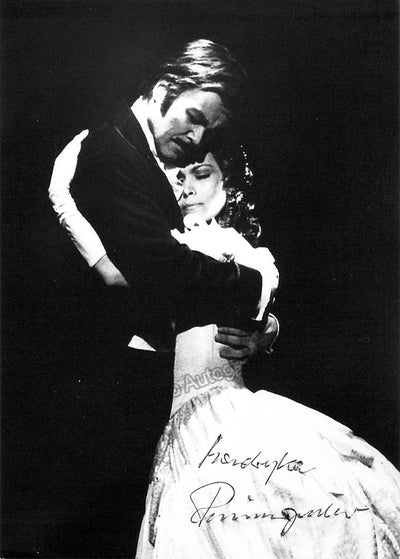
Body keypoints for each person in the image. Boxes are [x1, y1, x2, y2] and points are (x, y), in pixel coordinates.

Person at [50, 141, 400, 558]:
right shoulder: (165, 250)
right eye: (178, 178)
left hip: (225, 414)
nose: (187, 188)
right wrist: (62, 200)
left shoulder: (228, 246)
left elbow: (255, 291)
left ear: (228, 186)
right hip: (173, 423)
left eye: (202, 175)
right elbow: (116, 276)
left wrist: (268, 327)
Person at [48, 39, 278, 554]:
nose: (196, 141)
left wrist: (267, 326)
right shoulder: (111, 150)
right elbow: (161, 272)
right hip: (115, 389)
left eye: (210, 135)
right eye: (193, 119)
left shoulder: (144, 155)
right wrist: (256, 286)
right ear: (164, 88)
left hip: (171, 397)